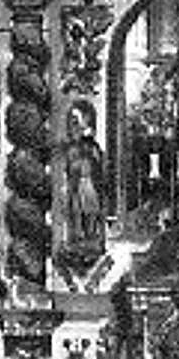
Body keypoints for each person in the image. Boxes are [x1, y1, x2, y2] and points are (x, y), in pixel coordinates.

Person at [56, 100, 105, 249]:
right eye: (73, 122)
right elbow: (66, 166)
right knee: (75, 213)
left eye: (78, 121)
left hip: (88, 183)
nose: (76, 126)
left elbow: (97, 164)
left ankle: (92, 240)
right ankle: (77, 241)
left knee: (91, 212)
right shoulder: (70, 148)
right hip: (75, 186)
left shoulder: (91, 146)